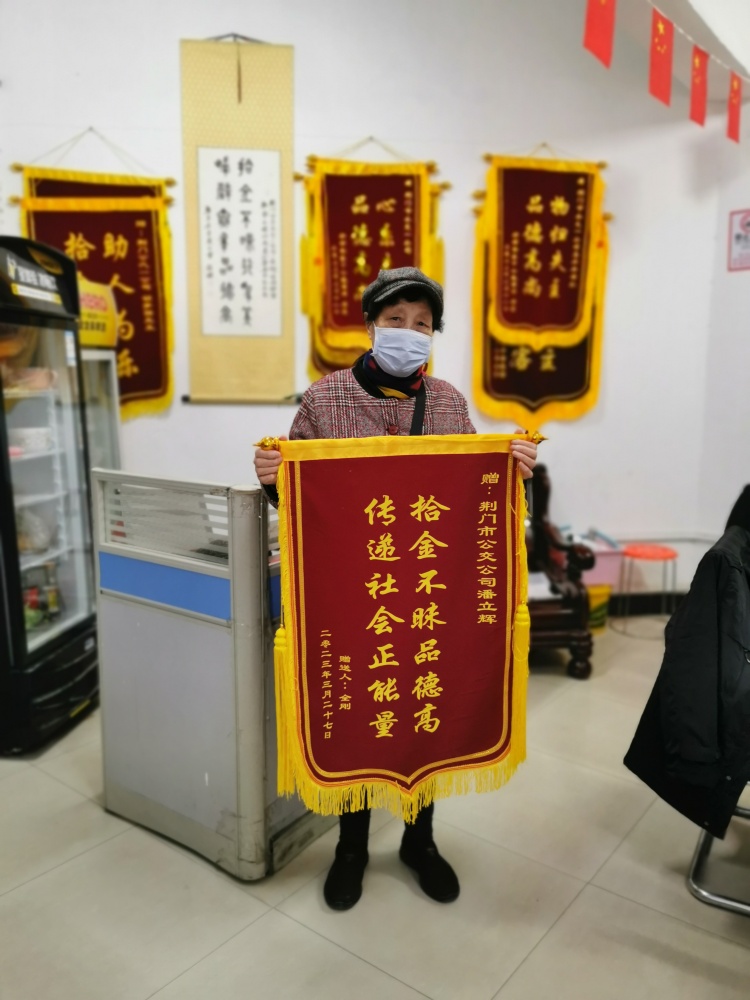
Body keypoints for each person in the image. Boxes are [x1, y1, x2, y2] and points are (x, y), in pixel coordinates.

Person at [254, 266, 537, 910]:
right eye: (396, 320)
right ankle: (351, 847)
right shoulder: (324, 400)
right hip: (353, 597)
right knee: (360, 710)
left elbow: (473, 498)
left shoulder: (447, 404)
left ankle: (419, 841)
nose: (409, 332)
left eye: (422, 324)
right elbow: (298, 500)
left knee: (426, 706)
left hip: (430, 595)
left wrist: (514, 472)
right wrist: (272, 476)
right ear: (371, 325)